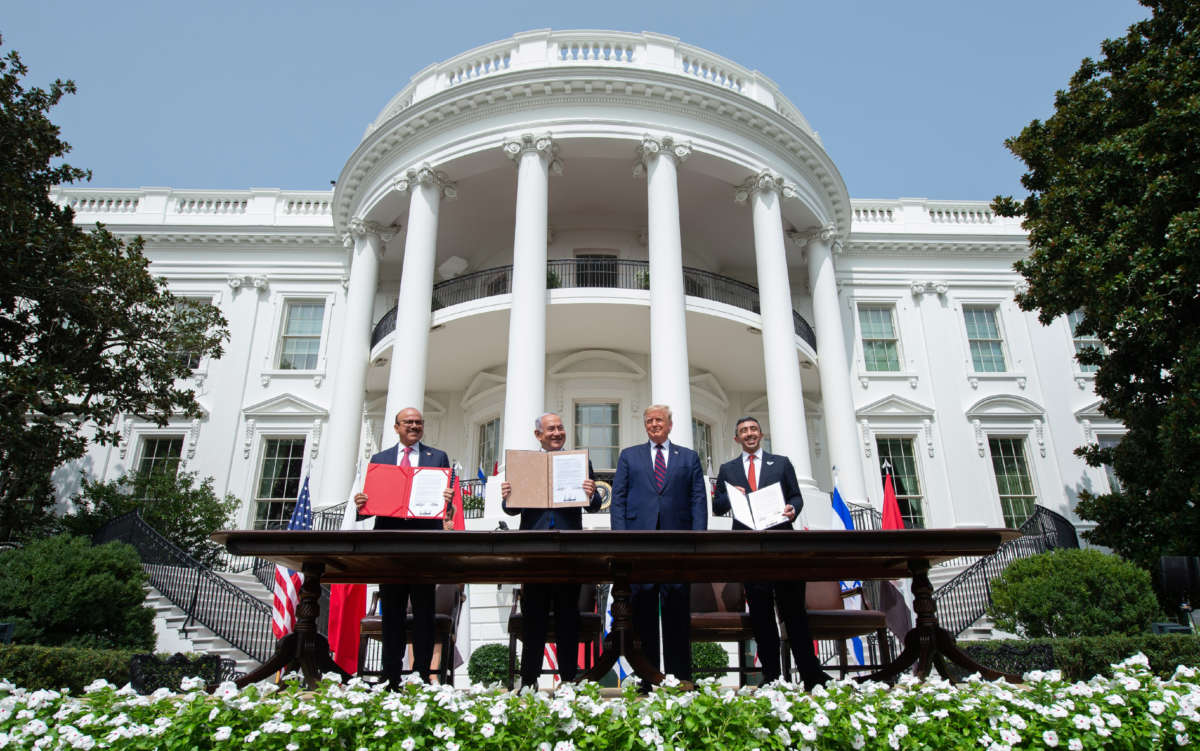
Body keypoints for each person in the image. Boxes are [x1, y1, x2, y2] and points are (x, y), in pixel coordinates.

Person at [711, 416, 831, 689]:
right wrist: (730, 496)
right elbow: (717, 506)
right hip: (750, 552)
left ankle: (810, 674)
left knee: (794, 613)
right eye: (743, 431)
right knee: (762, 617)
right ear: (736, 438)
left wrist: (793, 509)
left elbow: (796, 496)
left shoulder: (781, 463)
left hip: (782, 548)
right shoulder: (728, 470)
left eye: (753, 429)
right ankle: (772, 676)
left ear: (761, 434)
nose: (749, 434)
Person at [499, 412, 603, 688]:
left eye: (560, 427)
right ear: (538, 435)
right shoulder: (524, 464)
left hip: (568, 552)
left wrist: (592, 492)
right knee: (534, 619)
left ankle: (568, 680)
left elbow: (592, 505)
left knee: (569, 618)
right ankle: (529, 681)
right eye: (551, 429)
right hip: (534, 553)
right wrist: (508, 495)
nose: (557, 432)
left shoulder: (580, 463)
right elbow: (512, 509)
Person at [353, 406, 452, 686]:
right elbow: (371, 506)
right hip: (390, 544)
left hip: (423, 544)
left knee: (423, 611)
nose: (414, 426)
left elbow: (446, 505)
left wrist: (447, 497)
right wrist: (363, 505)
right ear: (396, 427)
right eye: (408, 422)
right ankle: (391, 675)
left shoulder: (438, 457)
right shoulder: (380, 459)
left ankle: (421, 674)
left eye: (418, 422)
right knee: (392, 612)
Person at [610, 404, 707, 682]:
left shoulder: (688, 458)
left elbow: (698, 500)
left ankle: (680, 679)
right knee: (643, 616)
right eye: (650, 421)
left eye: (659, 420)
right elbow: (618, 499)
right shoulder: (630, 456)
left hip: (677, 547)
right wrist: (621, 539)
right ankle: (648, 677)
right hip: (639, 547)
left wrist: (698, 539)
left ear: (669, 424)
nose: (654, 425)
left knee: (677, 613)